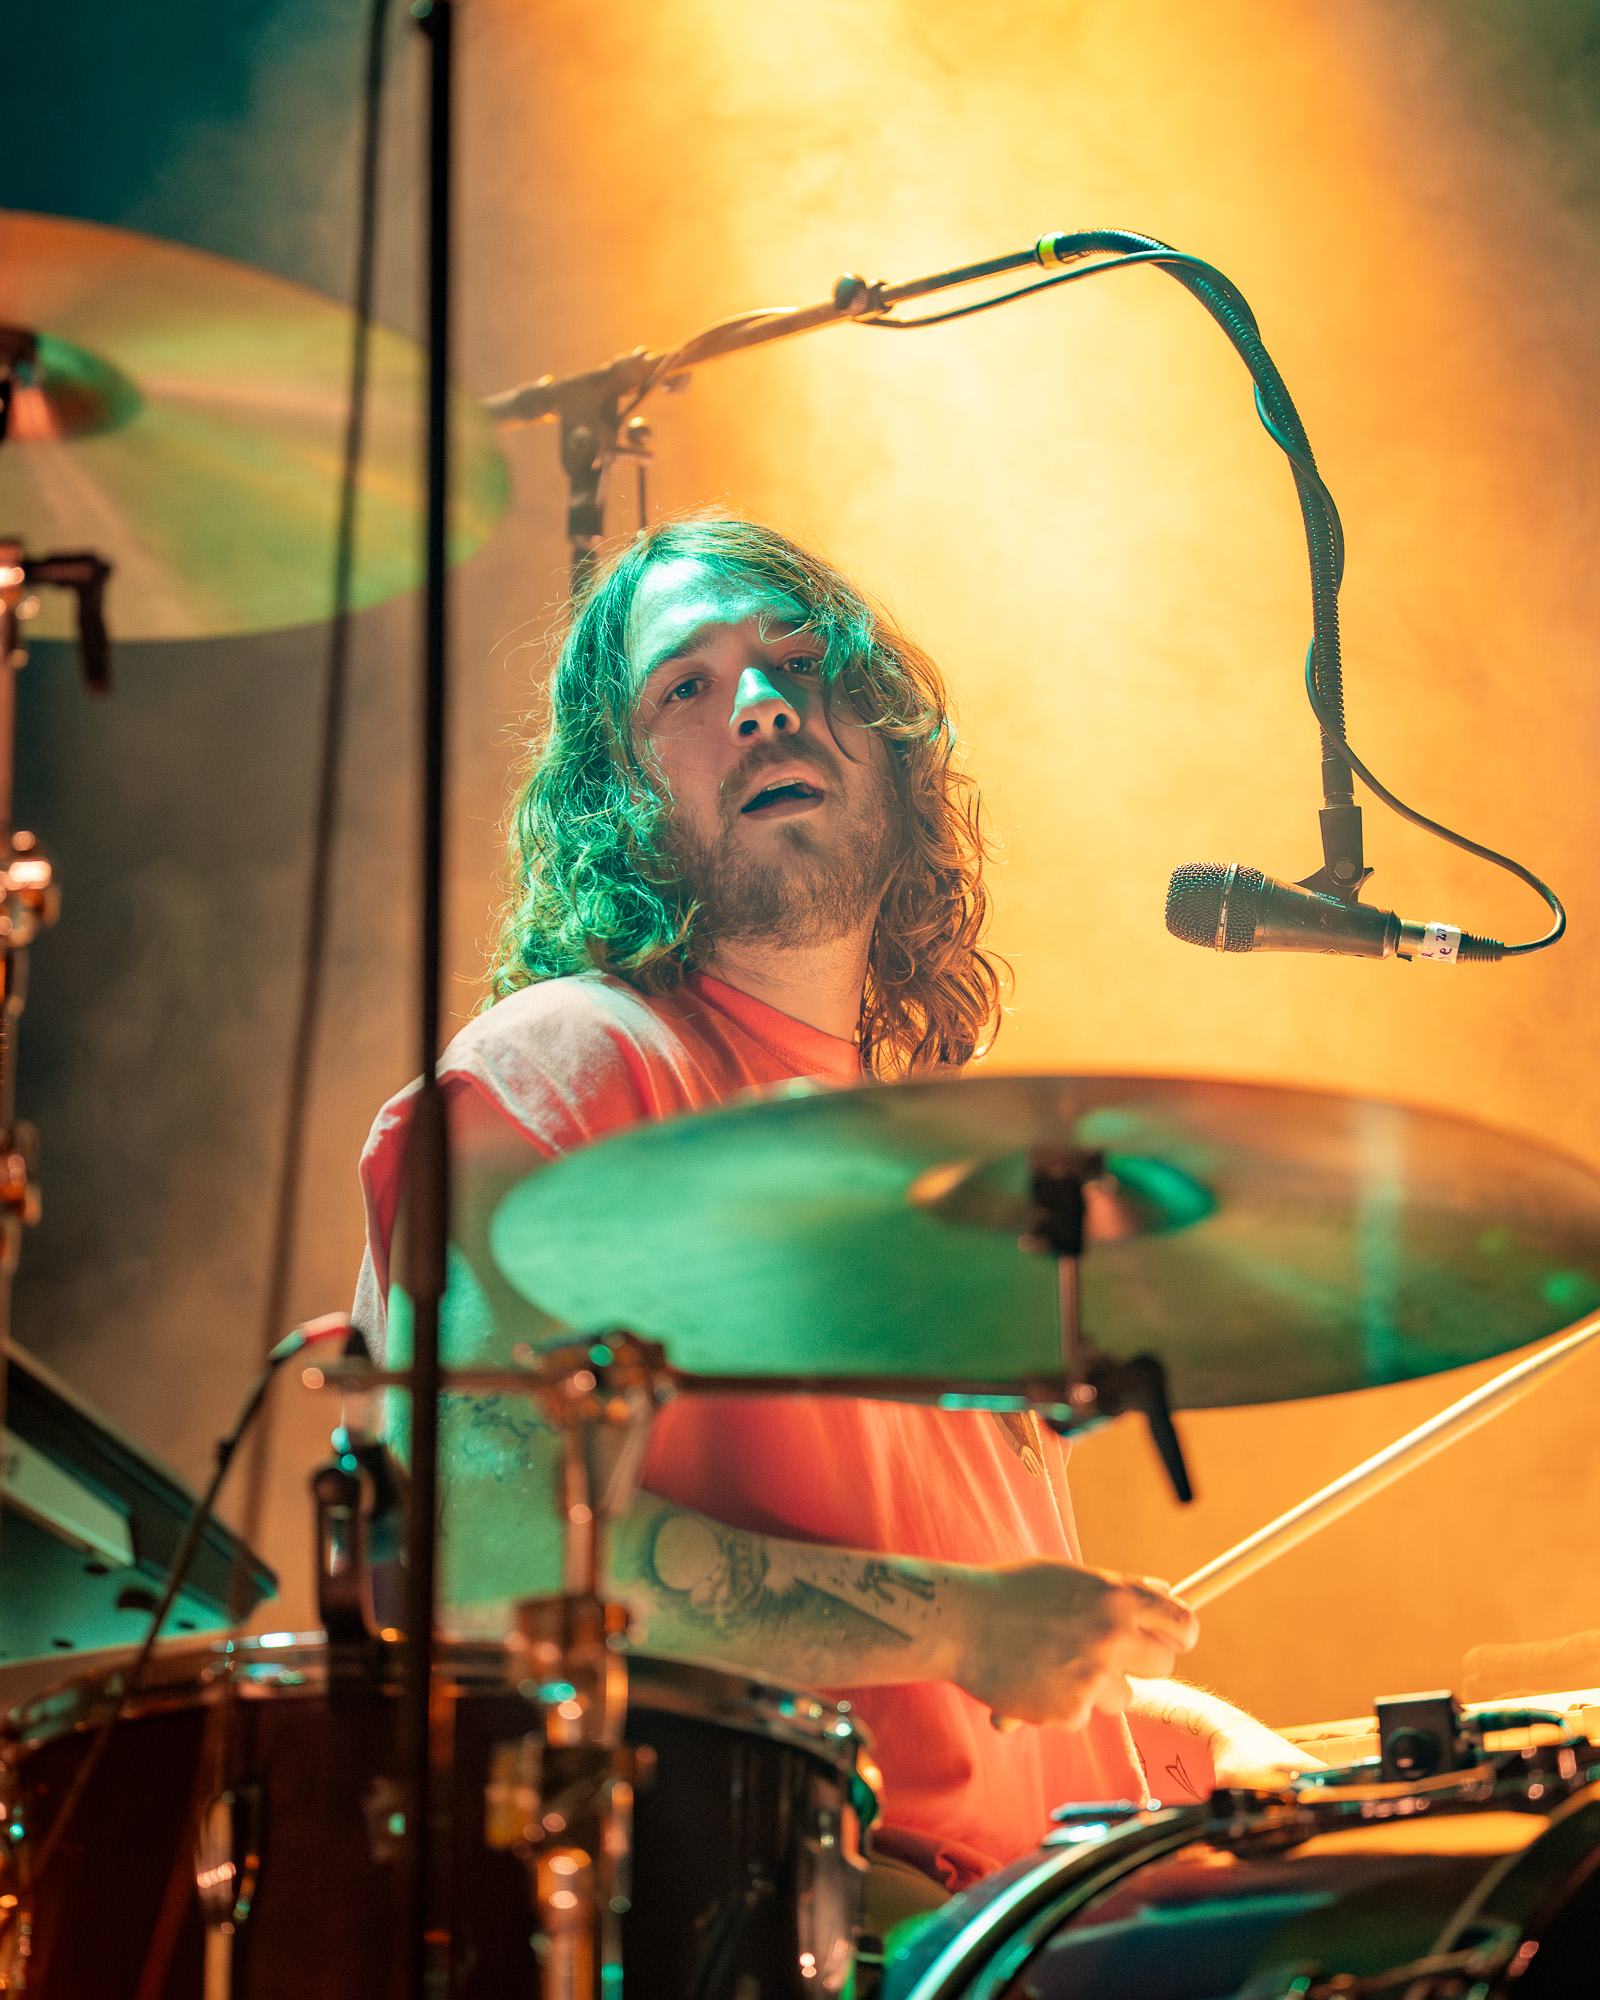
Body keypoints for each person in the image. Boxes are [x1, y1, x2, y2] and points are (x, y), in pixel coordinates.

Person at [352, 515, 1316, 1922]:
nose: (760, 703)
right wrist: (969, 1625)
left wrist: (1191, 1739)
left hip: (1031, 1918)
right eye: (685, 687)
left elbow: (978, 1699)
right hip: (800, 1920)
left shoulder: (928, 1181)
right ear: (615, 793)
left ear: (892, 742)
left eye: (802, 661)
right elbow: (479, 1561)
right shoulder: (572, 1057)